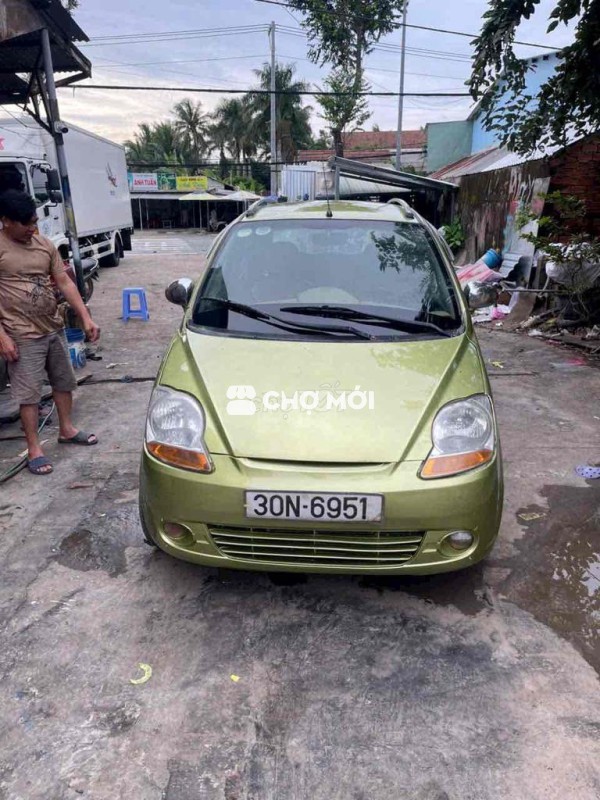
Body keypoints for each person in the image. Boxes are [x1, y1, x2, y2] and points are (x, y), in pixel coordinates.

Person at [0, 190, 100, 475]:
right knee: (29, 394)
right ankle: (34, 449)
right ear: (6, 221)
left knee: (63, 381)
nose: (32, 228)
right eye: (25, 223)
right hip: (21, 333)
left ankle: (66, 429)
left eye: (34, 221)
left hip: (53, 327)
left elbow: (64, 283)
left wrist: (85, 317)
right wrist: (2, 337)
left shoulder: (44, 244)